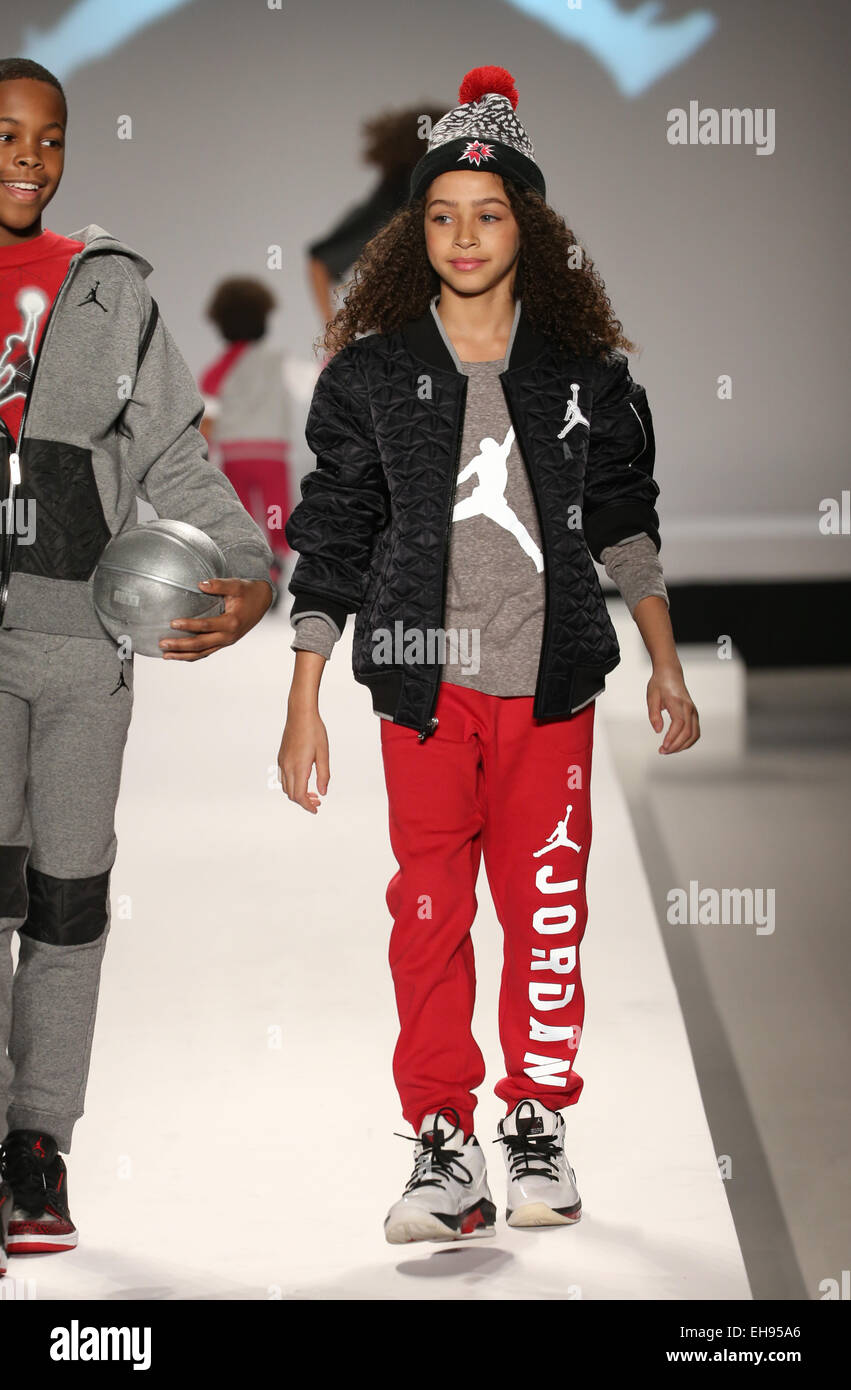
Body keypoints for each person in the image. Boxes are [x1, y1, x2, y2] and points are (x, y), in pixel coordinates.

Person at [278, 65, 700, 1245]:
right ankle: (440, 1140)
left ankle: (534, 1120)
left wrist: (662, 660)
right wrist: (305, 694)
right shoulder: (366, 377)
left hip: (551, 683)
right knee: (426, 915)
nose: (464, 236)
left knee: (542, 912)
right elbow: (334, 534)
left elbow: (625, 516)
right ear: (415, 233)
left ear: (531, 225)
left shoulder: (587, 378)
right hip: (422, 686)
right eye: (441, 215)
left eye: (490, 212)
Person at [0, 57, 274, 1271]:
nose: (31, 158)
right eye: (8, 134)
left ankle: (36, 1143)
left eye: (50, 139)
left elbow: (176, 459)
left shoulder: (110, 293)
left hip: (82, 653)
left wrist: (250, 570)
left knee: (67, 903)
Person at [200, 277, 312, 603]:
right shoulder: (280, 361)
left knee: (243, 514)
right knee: (277, 510)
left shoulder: (217, 370)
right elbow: (315, 381)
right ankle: (276, 561)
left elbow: (207, 420)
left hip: (235, 456)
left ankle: (249, 568)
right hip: (272, 455)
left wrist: (201, 456)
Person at [307, 103, 445, 330]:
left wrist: (332, 336)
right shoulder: (398, 195)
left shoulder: (396, 195)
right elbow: (320, 261)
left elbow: (320, 262)